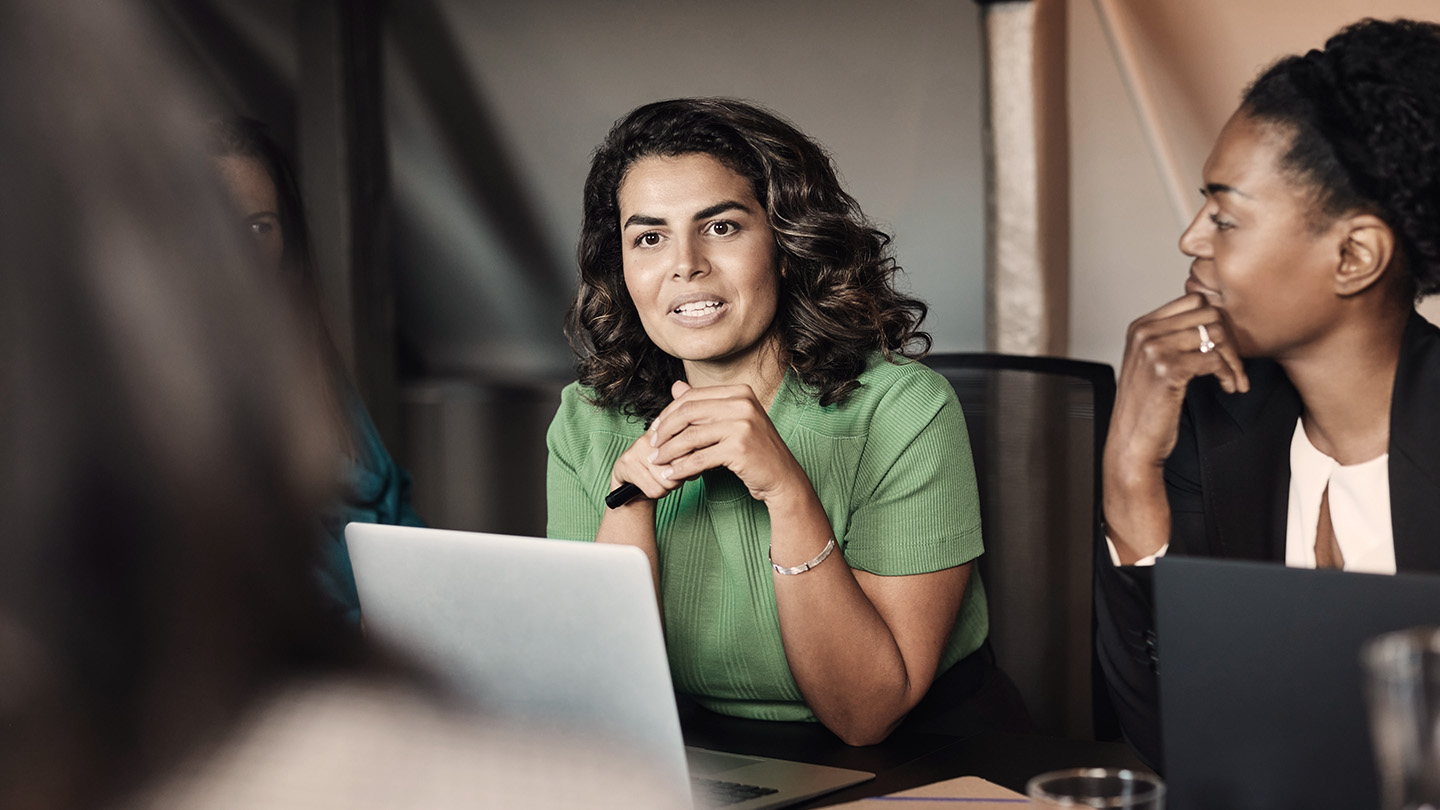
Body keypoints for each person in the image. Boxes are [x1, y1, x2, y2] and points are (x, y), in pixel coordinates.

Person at [0, 3, 677, 808]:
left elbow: (405, 538)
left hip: (383, 692)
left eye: (260, 225)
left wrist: (452, 630)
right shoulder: (129, 406)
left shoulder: (317, 378)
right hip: (287, 703)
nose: (242, 253)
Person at [547, 97, 999, 746]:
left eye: (722, 227)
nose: (685, 264)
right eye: (649, 237)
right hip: (695, 753)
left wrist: (787, 492)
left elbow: (868, 714)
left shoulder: (903, 409)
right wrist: (629, 503)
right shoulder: (587, 419)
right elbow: (591, 697)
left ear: (786, 245)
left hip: (916, 755)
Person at [1096, 17, 1440, 770]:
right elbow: (1173, 746)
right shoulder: (1210, 425)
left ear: (1354, 255)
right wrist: (1128, 477)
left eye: (1224, 216)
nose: (1190, 238)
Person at [208, 116, 424, 629]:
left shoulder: (310, 365)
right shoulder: (172, 387)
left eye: (260, 227)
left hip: (399, 634)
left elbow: (396, 504)